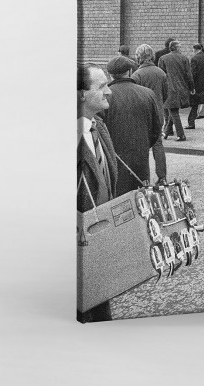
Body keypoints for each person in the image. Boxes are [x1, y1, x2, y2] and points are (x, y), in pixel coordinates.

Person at [77, 63, 118, 323]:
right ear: (80, 94)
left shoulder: (99, 126)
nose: (109, 92)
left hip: (99, 239)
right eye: (101, 86)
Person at [101, 56, 167, 197]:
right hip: (140, 155)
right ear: (130, 71)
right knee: (140, 198)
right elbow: (156, 128)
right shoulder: (147, 94)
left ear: (109, 74)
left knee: (117, 200)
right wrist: (143, 144)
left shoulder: (105, 97)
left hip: (115, 157)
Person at [158, 40, 194, 141]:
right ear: (177, 48)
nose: (181, 49)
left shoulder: (163, 59)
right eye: (180, 47)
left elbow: (161, 75)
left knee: (173, 110)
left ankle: (181, 134)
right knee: (173, 110)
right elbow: (189, 75)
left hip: (169, 88)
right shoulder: (184, 58)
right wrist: (192, 88)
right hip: (182, 88)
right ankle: (166, 131)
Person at [132, 44, 167, 115]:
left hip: (142, 114)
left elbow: (133, 97)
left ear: (138, 57)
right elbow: (166, 94)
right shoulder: (161, 73)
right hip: (158, 112)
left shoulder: (136, 75)